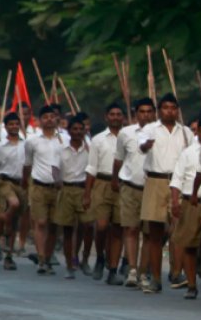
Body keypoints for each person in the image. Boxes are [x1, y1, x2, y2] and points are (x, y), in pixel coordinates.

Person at [138, 93, 193, 293]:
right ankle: (155, 277)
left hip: (178, 183)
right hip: (156, 180)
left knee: (178, 230)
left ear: (177, 110)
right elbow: (141, 147)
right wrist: (146, 145)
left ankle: (177, 272)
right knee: (154, 233)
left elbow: (191, 156)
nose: (170, 111)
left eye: (173, 107)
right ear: (159, 110)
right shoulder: (150, 129)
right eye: (166, 107)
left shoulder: (186, 132)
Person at [169, 113, 201, 300]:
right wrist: (175, 202)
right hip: (192, 202)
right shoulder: (188, 153)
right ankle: (191, 284)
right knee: (189, 245)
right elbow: (177, 179)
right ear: (198, 133)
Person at [114, 98, 156, 288]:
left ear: (154, 113)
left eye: (149, 111)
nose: (146, 115)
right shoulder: (126, 133)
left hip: (152, 187)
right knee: (130, 228)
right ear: (136, 113)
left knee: (149, 232)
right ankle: (131, 269)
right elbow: (119, 159)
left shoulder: (159, 133)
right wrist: (115, 180)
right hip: (130, 185)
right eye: (142, 111)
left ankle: (143, 270)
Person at [83, 103, 125, 285]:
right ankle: (100, 256)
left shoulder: (129, 138)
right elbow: (91, 167)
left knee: (118, 228)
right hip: (101, 183)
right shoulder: (98, 140)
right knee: (101, 226)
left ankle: (113, 269)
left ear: (123, 117)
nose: (115, 117)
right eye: (112, 114)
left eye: (118, 114)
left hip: (122, 185)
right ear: (106, 117)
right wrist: (87, 193)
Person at [23, 105, 66, 275]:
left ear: (57, 118)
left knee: (54, 224)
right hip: (39, 186)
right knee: (40, 222)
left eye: (52, 116)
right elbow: (27, 164)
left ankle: (48, 257)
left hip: (58, 188)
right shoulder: (32, 141)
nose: (49, 119)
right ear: (39, 120)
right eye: (45, 117)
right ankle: (41, 258)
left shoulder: (64, 140)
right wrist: (26, 183)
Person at [54, 115, 90, 279]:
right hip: (66, 189)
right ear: (69, 131)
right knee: (68, 229)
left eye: (80, 129)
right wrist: (58, 182)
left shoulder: (89, 148)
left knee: (88, 225)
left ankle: (83, 258)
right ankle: (69, 264)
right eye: (74, 129)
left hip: (83, 189)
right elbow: (55, 169)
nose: (77, 132)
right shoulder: (61, 149)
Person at [0, 112, 25, 270]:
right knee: (13, 204)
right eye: (11, 124)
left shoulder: (26, 144)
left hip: (20, 183)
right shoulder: (1, 146)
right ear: (6, 126)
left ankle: (8, 255)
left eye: (16, 124)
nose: (14, 126)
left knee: (14, 222)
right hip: (4, 183)